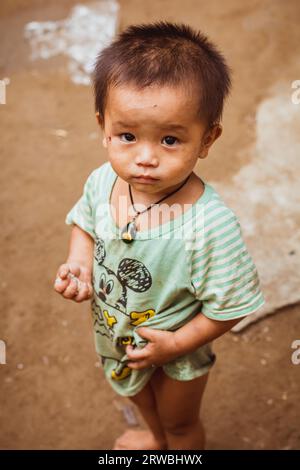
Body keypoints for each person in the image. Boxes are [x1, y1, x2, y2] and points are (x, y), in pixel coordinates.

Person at [54, 21, 265, 450]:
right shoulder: (102, 182)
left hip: (177, 353)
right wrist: (78, 262)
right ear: (103, 127)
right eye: (127, 136)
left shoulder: (210, 226)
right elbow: (85, 224)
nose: (145, 158)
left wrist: (176, 344)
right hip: (115, 334)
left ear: (207, 139)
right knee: (137, 397)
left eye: (170, 139)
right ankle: (152, 436)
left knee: (181, 424)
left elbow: (232, 304)